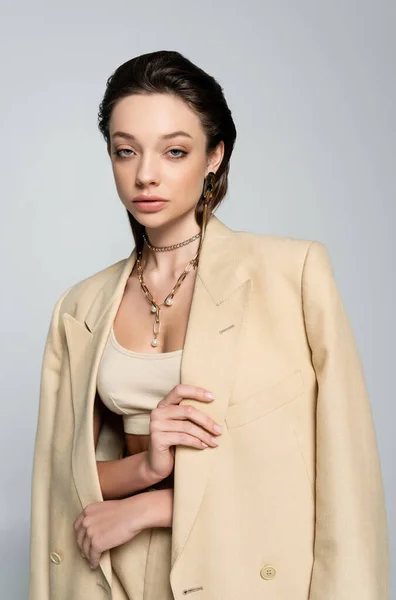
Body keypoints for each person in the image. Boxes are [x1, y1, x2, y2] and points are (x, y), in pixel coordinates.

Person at [29, 50, 389, 600]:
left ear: (215, 156)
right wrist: (148, 468)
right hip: (114, 572)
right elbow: (65, 484)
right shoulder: (80, 307)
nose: (145, 174)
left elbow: (338, 478)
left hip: (244, 574)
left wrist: (155, 505)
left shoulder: (292, 276)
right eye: (125, 151)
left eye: (175, 151)